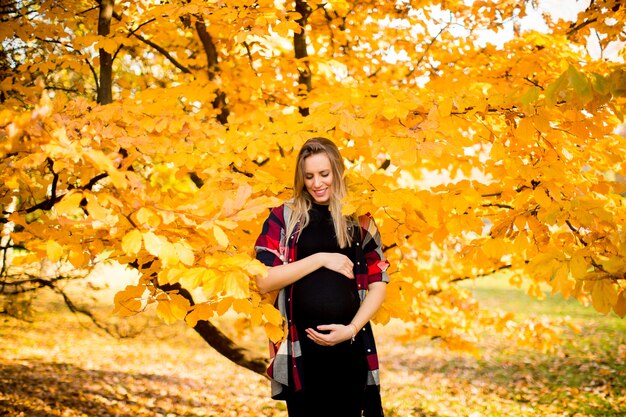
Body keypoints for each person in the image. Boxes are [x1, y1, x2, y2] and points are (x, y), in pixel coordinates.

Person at [254, 137, 390, 417]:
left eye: (324, 174)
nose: (317, 183)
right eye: (309, 176)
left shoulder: (360, 220)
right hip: (299, 353)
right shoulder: (284, 217)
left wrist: (351, 329)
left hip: (350, 348)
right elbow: (263, 279)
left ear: (338, 172)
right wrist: (320, 259)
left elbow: (378, 283)